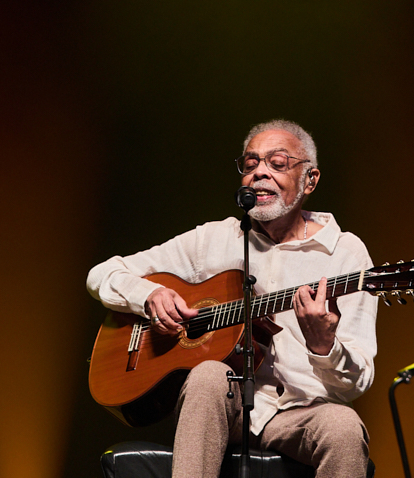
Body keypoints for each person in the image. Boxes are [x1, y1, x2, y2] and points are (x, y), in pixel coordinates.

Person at [87, 120, 378, 478]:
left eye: (278, 163)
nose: (260, 173)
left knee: (345, 426)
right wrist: (149, 295)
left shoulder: (345, 253)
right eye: (251, 163)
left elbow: (356, 383)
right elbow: (102, 274)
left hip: (303, 414)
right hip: (227, 408)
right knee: (209, 374)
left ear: (310, 180)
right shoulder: (214, 239)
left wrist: (324, 345)